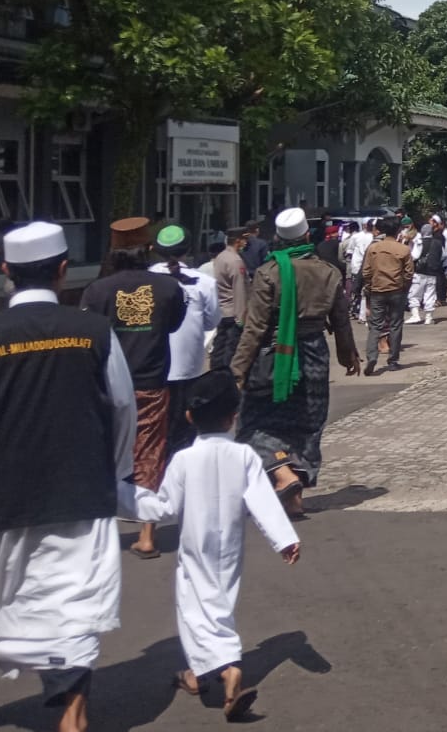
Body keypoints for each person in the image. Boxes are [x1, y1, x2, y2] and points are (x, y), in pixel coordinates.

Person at [0, 222, 136, 732]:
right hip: (78, 492)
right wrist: (109, 475)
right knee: (71, 604)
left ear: (5, 273)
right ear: (64, 269)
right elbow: (122, 410)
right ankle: (73, 724)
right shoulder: (92, 332)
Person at [123, 370, 300, 722]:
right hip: (230, 547)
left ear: (189, 417)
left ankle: (227, 668)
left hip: (195, 548)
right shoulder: (246, 457)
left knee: (195, 610)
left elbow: (163, 507)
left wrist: (120, 495)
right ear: (234, 416)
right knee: (219, 604)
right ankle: (196, 673)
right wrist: (285, 539)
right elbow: (262, 500)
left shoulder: (184, 460)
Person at [230, 207, 360, 518]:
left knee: (254, 422)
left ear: (277, 238)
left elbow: (255, 327)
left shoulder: (269, 272)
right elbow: (341, 320)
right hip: (315, 352)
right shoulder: (329, 272)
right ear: (306, 235)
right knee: (308, 422)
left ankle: (282, 473)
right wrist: (348, 355)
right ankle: (294, 495)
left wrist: (237, 370)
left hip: (275, 355)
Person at [80, 224, 187, 560]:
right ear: (147, 250)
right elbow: (173, 325)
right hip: (151, 381)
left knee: (101, 454)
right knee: (150, 453)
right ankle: (147, 534)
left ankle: (99, 534)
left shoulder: (96, 291)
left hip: (106, 384)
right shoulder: (169, 288)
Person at [151, 225, 221, 455]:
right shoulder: (203, 282)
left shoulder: (145, 280)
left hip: (150, 369)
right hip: (188, 369)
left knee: (153, 436)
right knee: (184, 435)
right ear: (188, 249)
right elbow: (212, 322)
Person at [361, 216, 414, 375]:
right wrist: (404, 287)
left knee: (375, 325)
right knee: (395, 325)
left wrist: (369, 288)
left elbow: (366, 272)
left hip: (377, 290)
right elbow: (409, 273)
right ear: (398, 230)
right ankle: (393, 360)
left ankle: (372, 356)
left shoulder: (373, 248)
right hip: (397, 290)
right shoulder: (403, 249)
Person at [210, 226, 251, 373]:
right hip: (234, 312)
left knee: (220, 347)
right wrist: (241, 319)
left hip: (222, 310)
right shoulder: (235, 261)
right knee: (231, 350)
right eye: (245, 239)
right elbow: (239, 290)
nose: (246, 242)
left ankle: (216, 374)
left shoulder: (221, 257)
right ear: (238, 241)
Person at [409, 218, 443, 326]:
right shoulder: (438, 243)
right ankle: (429, 318)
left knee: (414, 294)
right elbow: (444, 256)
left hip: (420, 272)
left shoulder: (419, 242)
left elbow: (414, 256)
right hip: (433, 272)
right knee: (430, 295)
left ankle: (415, 315)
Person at [345, 220, 374, 324]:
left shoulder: (373, 237)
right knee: (360, 291)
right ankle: (357, 312)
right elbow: (350, 251)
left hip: (365, 266)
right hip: (358, 266)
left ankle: (362, 315)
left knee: (363, 291)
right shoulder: (356, 237)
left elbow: (349, 252)